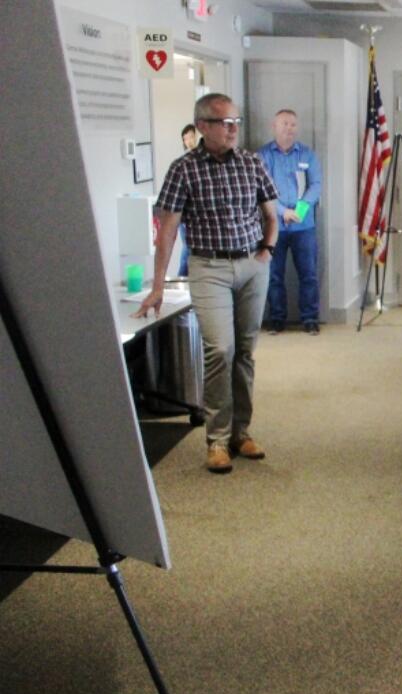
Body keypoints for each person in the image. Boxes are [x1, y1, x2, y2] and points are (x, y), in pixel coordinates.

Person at [136, 93, 278, 474]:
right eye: (224, 122)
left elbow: (270, 213)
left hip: (251, 264)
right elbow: (166, 231)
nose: (232, 129)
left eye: (236, 122)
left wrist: (268, 248)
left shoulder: (251, 162)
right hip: (208, 267)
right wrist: (159, 285)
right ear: (201, 126)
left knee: (245, 350)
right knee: (221, 349)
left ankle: (240, 433)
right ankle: (217, 440)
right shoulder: (183, 169)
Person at [257, 109, 322, 335]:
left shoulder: (307, 155)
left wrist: (300, 210)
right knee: (274, 275)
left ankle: (310, 318)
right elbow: (261, 189)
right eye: (284, 124)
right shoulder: (263, 155)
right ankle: (277, 319)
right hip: (274, 226)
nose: (289, 128)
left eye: (293, 124)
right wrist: (283, 211)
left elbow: (316, 185)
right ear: (274, 126)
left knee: (309, 274)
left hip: (304, 227)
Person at [176, 123, 200, 278]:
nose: (189, 141)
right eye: (185, 139)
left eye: (191, 137)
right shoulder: (182, 163)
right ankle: (181, 279)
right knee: (188, 248)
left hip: (199, 216)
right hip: (186, 215)